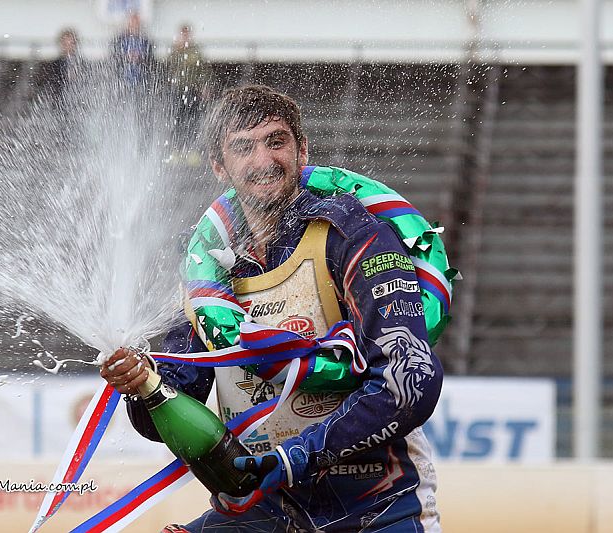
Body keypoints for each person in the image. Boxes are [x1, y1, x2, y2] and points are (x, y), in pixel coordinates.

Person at [101, 85, 443, 532]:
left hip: (375, 506)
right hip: (263, 509)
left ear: (303, 151)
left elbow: (410, 381)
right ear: (219, 166)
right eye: (244, 148)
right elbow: (168, 408)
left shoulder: (355, 236)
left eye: (275, 142)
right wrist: (142, 384)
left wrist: (295, 457)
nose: (263, 160)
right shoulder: (207, 270)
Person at [165, 24, 211, 155]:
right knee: (178, 120)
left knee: (193, 119)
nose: (185, 36)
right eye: (183, 34)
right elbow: (168, 66)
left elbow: (203, 70)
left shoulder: (196, 50)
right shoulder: (176, 49)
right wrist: (177, 50)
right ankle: (176, 149)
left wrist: (205, 86)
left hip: (193, 89)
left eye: (187, 34)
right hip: (178, 89)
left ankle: (191, 150)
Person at [109, 11, 155, 89]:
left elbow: (150, 57)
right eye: (133, 22)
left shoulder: (145, 40)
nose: (134, 25)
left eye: (136, 23)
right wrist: (126, 57)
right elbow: (114, 55)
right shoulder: (119, 39)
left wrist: (140, 57)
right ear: (128, 23)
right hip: (123, 77)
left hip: (142, 78)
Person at [38, 28, 82, 101]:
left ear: (75, 44)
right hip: (59, 101)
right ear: (61, 44)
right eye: (65, 44)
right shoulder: (53, 66)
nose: (68, 47)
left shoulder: (83, 64)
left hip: (79, 100)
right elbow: (51, 87)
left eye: (71, 43)